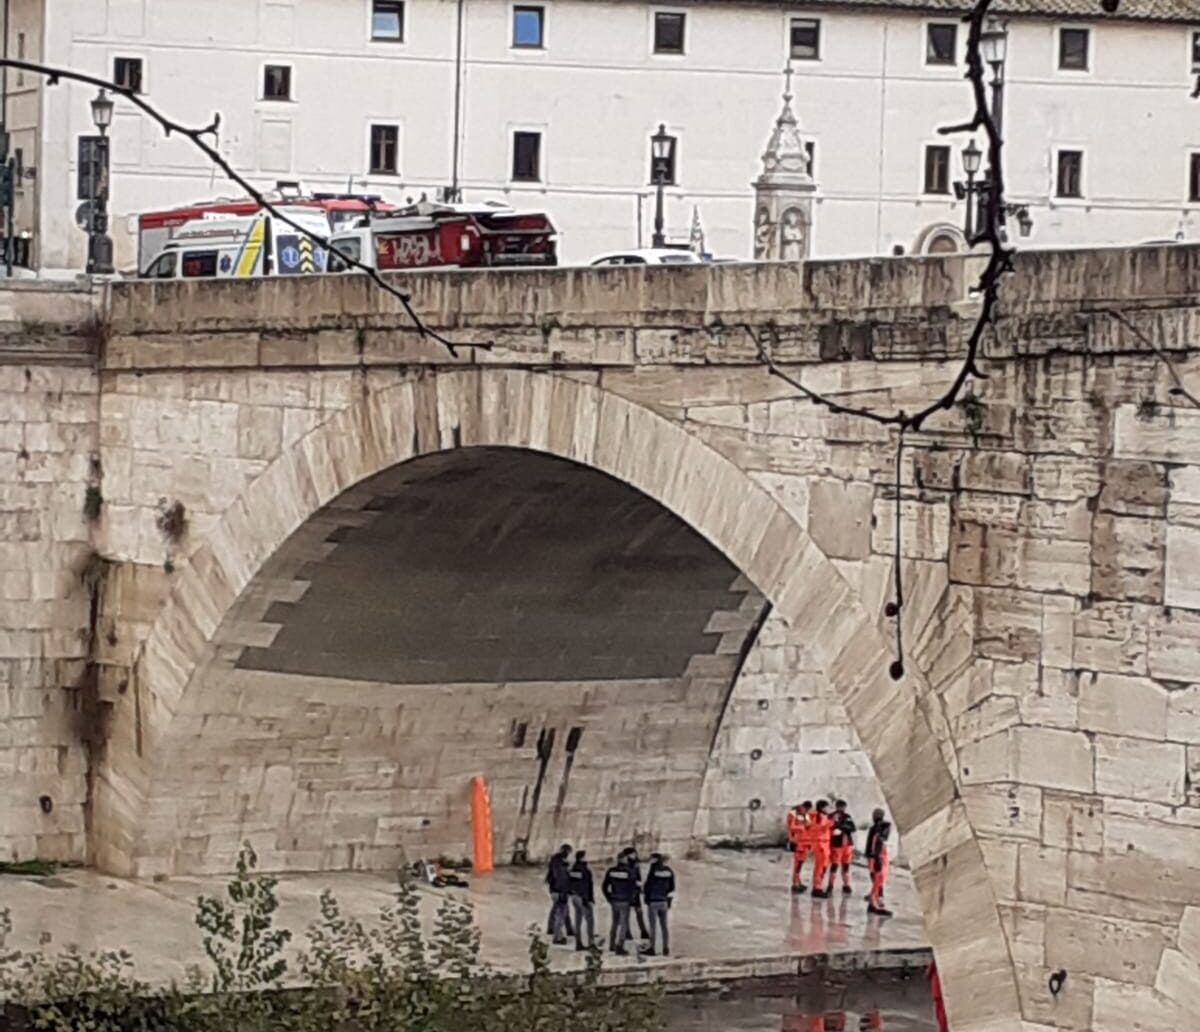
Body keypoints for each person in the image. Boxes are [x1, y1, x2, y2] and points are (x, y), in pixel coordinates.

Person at [602, 853, 637, 955]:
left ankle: (611, 944)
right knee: (624, 924)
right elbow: (633, 887)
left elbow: (604, 886)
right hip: (625, 900)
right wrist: (631, 898)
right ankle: (620, 945)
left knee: (614, 923)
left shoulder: (611, 871)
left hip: (614, 900)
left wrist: (609, 897)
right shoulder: (629, 872)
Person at [642, 852, 676, 956]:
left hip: (653, 901)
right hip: (664, 901)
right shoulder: (669, 871)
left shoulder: (653, 871)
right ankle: (666, 948)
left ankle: (652, 948)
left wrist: (646, 899)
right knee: (664, 926)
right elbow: (672, 887)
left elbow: (648, 886)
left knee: (653, 927)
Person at [865, 809, 892, 917]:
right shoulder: (876, 828)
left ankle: (875, 900)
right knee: (877, 879)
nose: (874, 816)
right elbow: (874, 844)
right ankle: (873, 903)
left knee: (879, 879)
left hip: (878, 855)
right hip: (877, 856)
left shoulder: (880, 827)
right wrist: (875, 858)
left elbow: (878, 841)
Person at [620, 846, 650, 940]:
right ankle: (627, 932)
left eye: (634, 853)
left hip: (635, 891)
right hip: (627, 892)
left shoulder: (636, 864)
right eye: (632, 854)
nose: (634, 855)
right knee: (627, 913)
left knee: (639, 912)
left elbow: (638, 876)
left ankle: (643, 931)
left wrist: (640, 887)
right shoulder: (624, 865)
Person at [545, 843, 573, 944]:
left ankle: (555, 928)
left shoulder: (555, 862)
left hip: (555, 890)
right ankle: (558, 937)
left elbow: (551, 877)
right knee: (561, 912)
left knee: (559, 910)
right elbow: (561, 879)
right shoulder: (560, 866)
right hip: (560, 891)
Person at [568, 849, 595, 951]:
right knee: (590, 920)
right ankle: (591, 943)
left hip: (574, 897)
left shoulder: (573, 869)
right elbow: (586, 886)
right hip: (583, 897)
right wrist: (588, 899)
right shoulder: (585, 870)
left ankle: (578, 943)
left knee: (577, 920)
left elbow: (569, 883)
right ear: (582, 858)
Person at [827, 800, 856, 895]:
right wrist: (842, 826)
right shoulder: (831, 816)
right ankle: (830, 885)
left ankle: (846, 884)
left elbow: (852, 828)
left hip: (847, 844)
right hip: (836, 844)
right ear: (837, 807)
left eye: (843, 807)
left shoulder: (847, 816)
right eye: (841, 807)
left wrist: (840, 826)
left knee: (846, 865)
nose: (842, 809)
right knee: (834, 865)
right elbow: (829, 828)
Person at [786, 801, 813, 893]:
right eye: (806, 809)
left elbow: (809, 825)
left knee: (800, 863)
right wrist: (802, 827)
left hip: (804, 842)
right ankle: (795, 884)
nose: (806, 811)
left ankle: (798, 881)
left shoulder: (805, 814)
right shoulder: (793, 813)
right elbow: (791, 827)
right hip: (796, 841)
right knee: (797, 864)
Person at [809, 800, 833, 898]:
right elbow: (819, 828)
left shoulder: (822, 817)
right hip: (820, 844)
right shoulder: (818, 817)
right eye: (827, 807)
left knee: (823, 867)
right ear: (822, 808)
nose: (828, 809)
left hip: (824, 844)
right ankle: (816, 888)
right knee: (819, 867)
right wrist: (830, 823)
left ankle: (818, 886)